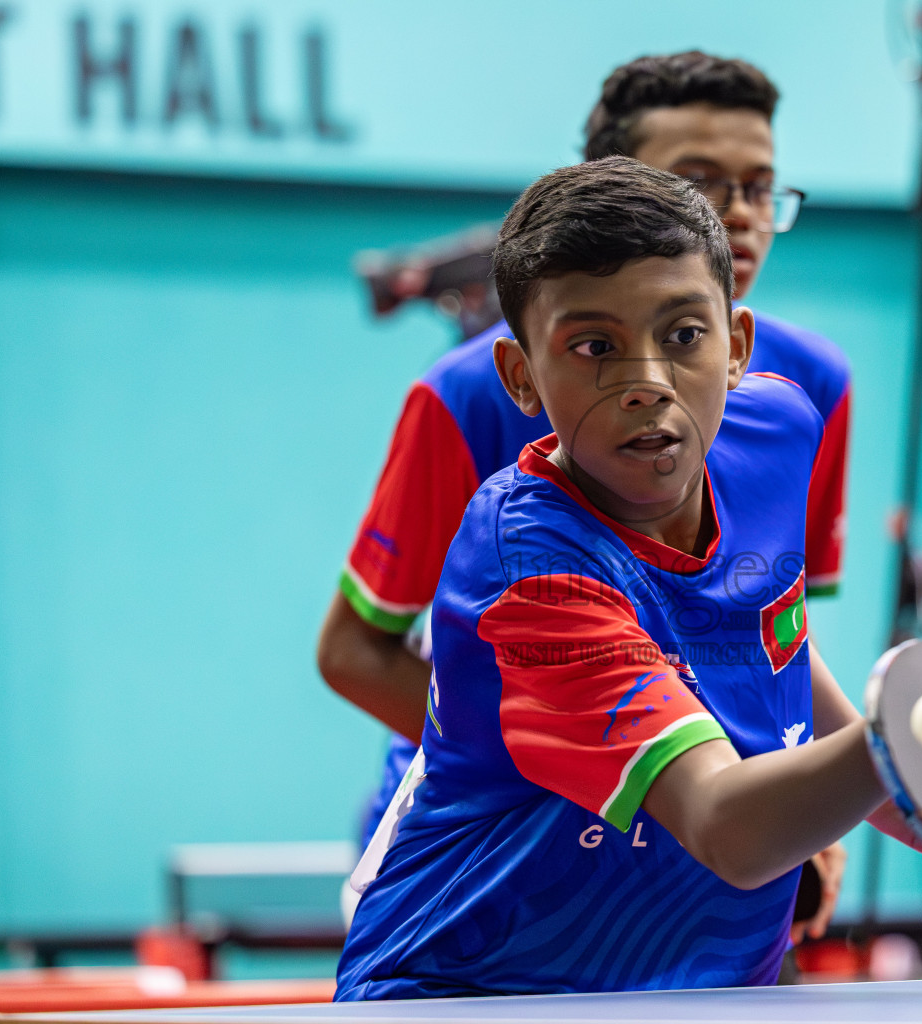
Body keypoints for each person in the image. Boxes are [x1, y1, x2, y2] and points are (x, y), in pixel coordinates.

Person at [335, 158, 922, 1000]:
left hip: (706, 992)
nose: (647, 382)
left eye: (684, 335)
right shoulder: (529, 568)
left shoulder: (776, 433)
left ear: (736, 348)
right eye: (593, 347)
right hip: (478, 997)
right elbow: (727, 826)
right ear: (520, 379)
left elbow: (778, 653)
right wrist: (902, 738)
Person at [318, 52, 852, 940]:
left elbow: (773, 624)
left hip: (700, 809)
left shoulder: (807, 388)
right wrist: (573, 753)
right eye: (700, 183)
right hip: (494, 862)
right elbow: (353, 651)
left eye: (760, 187)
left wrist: (816, 784)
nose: (739, 217)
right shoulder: (467, 398)